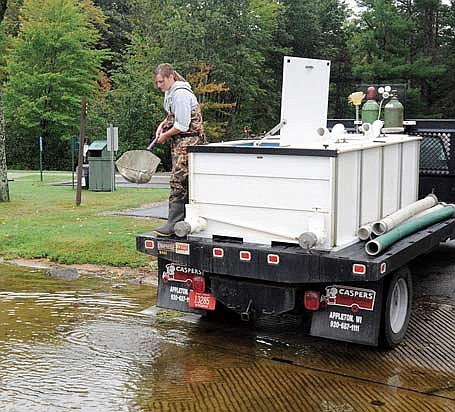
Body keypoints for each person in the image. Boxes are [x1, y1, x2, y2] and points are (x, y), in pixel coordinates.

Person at [153, 63, 205, 236]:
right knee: (185, 182)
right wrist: (162, 126)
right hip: (180, 143)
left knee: (179, 181)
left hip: (188, 143)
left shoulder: (181, 94)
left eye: (161, 82)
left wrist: (165, 136)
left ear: (170, 77)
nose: (159, 86)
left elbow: (182, 125)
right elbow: (172, 116)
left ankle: (173, 224)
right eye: (157, 82)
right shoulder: (171, 93)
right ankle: (184, 222)